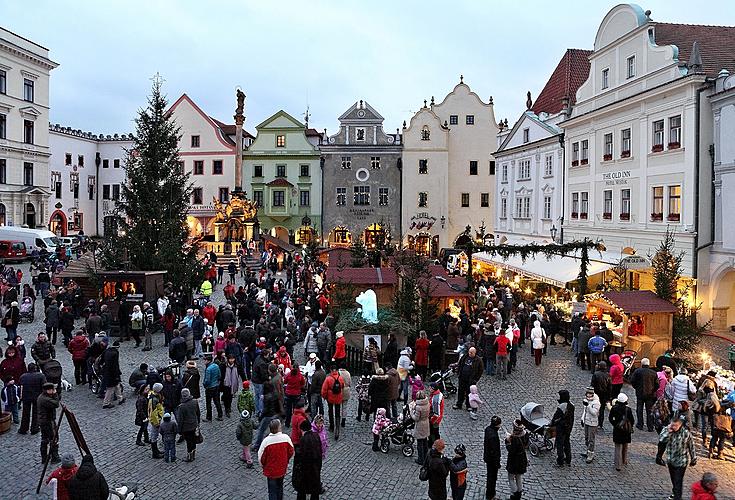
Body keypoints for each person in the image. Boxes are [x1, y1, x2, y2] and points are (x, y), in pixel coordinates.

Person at [659, 416, 696, 500]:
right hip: (671, 459)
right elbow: (661, 440)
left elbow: (691, 446)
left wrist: (694, 458)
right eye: (672, 425)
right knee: (673, 478)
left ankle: (677, 497)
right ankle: (675, 493)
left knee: (678, 480)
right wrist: (668, 432)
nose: (673, 427)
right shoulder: (666, 429)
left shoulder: (686, 433)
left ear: (680, 425)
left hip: (682, 461)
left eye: (675, 425)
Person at [258, 419, 294, 500]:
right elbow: (291, 451)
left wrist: (264, 466)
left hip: (270, 471)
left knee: (272, 491)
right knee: (280, 487)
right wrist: (286, 460)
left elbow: (261, 457)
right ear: (278, 428)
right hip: (282, 468)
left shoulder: (266, 441)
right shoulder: (286, 438)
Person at [292, 419, 323, 500]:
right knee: (315, 490)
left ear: (302, 430)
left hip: (306, 470)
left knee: (302, 490)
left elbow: (301, 456)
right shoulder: (316, 435)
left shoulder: (303, 440)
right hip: (315, 468)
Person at [630, 357, 658, 432]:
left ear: (642, 364)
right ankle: (650, 426)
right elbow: (657, 384)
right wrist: (653, 390)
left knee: (639, 409)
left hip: (640, 393)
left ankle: (640, 424)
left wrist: (636, 387)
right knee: (649, 410)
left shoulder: (637, 371)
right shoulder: (653, 373)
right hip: (650, 394)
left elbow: (632, 381)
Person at [608, 393, 635, 471]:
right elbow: (632, 420)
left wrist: (615, 424)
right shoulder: (628, 409)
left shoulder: (614, 408)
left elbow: (610, 418)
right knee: (625, 446)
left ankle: (618, 465)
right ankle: (624, 460)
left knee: (618, 447)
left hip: (617, 430)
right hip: (626, 431)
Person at [18, 362, 45, 434]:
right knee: (36, 413)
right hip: (37, 396)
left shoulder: (23, 376)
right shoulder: (40, 376)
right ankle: (34, 428)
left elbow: (20, 386)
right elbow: (44, 386)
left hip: (26, 397)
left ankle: (23, 428)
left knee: (25, 413)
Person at [550, 389, 574, 467]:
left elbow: (555, 417)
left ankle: (560, 461)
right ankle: (568, 459)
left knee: (560, 444)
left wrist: (551, 424)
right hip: (568, 428)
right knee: (567, 443)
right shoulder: (572, 405)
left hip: (561, 428)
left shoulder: (562, 406)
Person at [505, 419, 529, 500]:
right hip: (522, 459)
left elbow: (511, 450)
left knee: (511, 477)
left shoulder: (515, 439)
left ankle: (515, 494)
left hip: (514, 461)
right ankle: (519, 492)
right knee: (518, 477)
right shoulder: (525, 434)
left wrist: (507, 442)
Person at [38, 382, 61, 464]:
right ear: (48, 390)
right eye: (53, 389)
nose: (54, 391)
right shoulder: (45, 399)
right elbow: (56, 404)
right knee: (53, 438)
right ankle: (54, 457)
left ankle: (44, 458)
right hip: (48, 421)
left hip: (44, 421)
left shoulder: (43, 397)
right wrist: (55, 395)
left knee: (45, 439)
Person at [321, 363, 345, 440]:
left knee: (330, 411)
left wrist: (324, 397)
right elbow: (342, 386)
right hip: (338, 397)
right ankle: (337, 427)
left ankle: (331, 426)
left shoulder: (328, 379)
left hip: (330, 397)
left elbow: (324, 390)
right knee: (338, 412)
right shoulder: (340, 378)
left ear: (331, 370)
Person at [177, 387, 200, 462]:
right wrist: (198, 423)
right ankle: (193, 454)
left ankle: (190, 456)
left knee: (189, 442)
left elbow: (180, 420)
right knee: (193, 440)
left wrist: (179, 430)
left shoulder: (181, 407)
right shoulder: (195, 402)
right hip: (194, 424)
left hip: (186, 428)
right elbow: (198, 413)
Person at [580, 387, 601, 463]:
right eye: (587, 394)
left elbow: (594, 413)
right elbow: (584, 411)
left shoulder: (596, 403)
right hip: (586, 421)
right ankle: (588, 451)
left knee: (591, 439)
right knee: (586, 438)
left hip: (593, 423)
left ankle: (590, 455)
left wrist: (588, 406)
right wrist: (582, 419)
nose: (588, 396)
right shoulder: (586, 400)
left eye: (590, 394)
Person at [101, 340, 124, 409]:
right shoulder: (115, 353)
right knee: (110, 388)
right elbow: (115, 365)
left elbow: (101, 360)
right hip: (112, 373)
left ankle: (120, 398)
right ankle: (106, 403)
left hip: (106, 372)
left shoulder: (106, 351)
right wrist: (117, 374)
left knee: (117, 386)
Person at [410, 390, 431, 465]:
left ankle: (420, 459)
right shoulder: (427, 403)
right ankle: (426, 456)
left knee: (419, 443)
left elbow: (416, 418)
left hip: (420, 425)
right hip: (426, 423)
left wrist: (411, 410)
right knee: (425, 441)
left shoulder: (419, 407)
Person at [484, 415, 502, 500]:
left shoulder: (488, 429)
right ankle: (490, 495)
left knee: (489, 476)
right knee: (492, 478)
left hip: (488, 457)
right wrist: (497, 463)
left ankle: (489, 491)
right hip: (492, 460)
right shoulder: (494, 436)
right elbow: (495, 451)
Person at [591, 361, 611, 429]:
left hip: (596, 394)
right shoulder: (608, 375)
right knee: (601, 409)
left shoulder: (596, 374)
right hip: (604, 394)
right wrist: (609, 397)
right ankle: (600, 423)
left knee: (595, 408)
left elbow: (592, 385)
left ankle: (594, 422)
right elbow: (610, 387)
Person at [202, 355, 223, 421]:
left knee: (208, 403)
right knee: (217, 401)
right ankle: (220, 415)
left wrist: (204, 384)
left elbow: (207, 380)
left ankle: (209, 417)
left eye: (205, 360)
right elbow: (219, 376)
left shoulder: (208, 369)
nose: (204, 361)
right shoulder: (216, 366)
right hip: (216, 386)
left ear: (208, 361)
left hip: (210, 388)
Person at [147, 383, 165, 459]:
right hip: (155, 420)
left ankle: (156, 450)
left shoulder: (154, 396)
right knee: (154, 435)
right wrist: (156, 423)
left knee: (155, 435)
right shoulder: (154, 399)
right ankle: (155, 453)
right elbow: (153, 413)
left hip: (158, 418)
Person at [429, 382, 444, 446]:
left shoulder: (435, 399)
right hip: (436, 418)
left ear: (433, 389)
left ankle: (435, 444)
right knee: (435, 431)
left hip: (435, 419)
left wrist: (431, 421)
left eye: (430, 387)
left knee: (433, 431)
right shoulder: (437, 394)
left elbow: (436, 413)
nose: (429, 388)